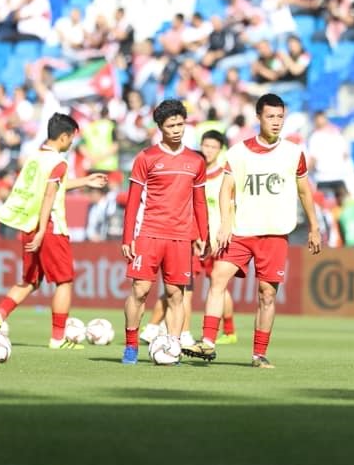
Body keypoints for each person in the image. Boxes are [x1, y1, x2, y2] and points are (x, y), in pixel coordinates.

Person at [186, 93, 322, 369]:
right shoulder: (238, 152)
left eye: (280, 117)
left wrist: (314, 228)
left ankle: (259, 354)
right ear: (258, 117)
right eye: (270, 116)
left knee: (266, 294)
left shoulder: (294, 153)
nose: (276, 122)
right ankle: (208, 341)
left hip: (275, 234)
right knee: (217, 278)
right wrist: (225, 224)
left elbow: (305, 192)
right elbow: (226, 190)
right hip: (241, 230)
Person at [0, 113, 108, 348]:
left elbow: (51, 188)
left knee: (30, 281)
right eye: (71, 138)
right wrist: (42, 231)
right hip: (49, 227)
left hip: (30, 225)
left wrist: (85, 181)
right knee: (64, 281)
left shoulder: (35, 158)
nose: (72, 143)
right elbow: (49, 195)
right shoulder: (59, 162)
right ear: (63, 137)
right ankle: (58, 338)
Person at [120, 99, 209, 365]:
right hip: (149, 233)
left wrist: (202, 234)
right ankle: (131, 345)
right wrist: (128, 238)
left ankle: (172, 347)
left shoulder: (195, 160)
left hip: (180, 237)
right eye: (171, 125)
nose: (177, 129)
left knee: (176, 295)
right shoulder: (146, 158)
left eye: (181, 124)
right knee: (140, 290)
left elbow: (200, 201)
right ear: (160, 127)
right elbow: (133, 201)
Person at [138, 130, 238, 348]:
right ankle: (167, 330)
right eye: (206, 145)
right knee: (181, 287)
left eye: (213, 147)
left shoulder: (224, 176)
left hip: (216, 238)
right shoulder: (191, 170)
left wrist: (224, 230)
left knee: (217, 284)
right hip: (191, 237)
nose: (208, 150)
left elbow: (230, 205)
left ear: (220, 150)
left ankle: (227, 330)